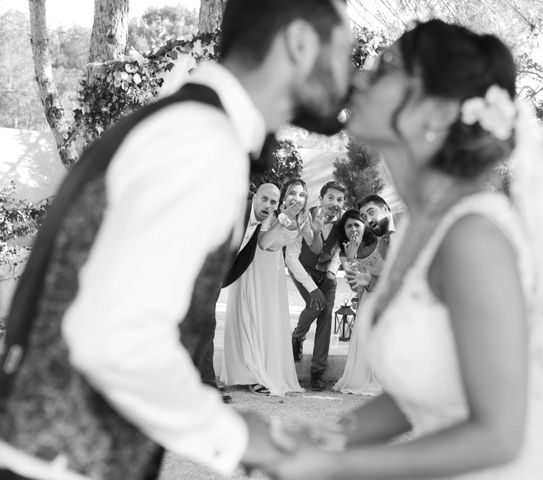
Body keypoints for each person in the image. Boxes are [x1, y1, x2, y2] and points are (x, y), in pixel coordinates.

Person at [266, 19, 543, 480]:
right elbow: (427, 386)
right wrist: (322, 437)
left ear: (438, 112)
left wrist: (332, 466)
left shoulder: (474, 238)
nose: (360, 76)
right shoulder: (417, 229)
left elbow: (499, 436)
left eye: (385, 68)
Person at [0, 0, 353, 478]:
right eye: (342, 48)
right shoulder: (202, 143)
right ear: (300, 42)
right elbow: (119, 338)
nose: (348, 71)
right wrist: (238, 439)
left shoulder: (181, 125)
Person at [221, 179, 311, 397]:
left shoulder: (300, 219)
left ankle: (263, 370)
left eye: (300, 194)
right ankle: (250, 373)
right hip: (253, 266)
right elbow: (263, 243)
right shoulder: (270, 214)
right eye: (291, 193)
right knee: (249, 316)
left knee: (268, 320)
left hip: (274, 270)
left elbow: (304, 247)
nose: (295, 198)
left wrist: (311, 228)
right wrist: (283, 218)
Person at [196, 182, 279, 403]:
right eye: (264, 199)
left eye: (273, 202)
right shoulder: (235, 213)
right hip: (197, 274)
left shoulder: (256, 222)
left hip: (210, 280)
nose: (268, 205)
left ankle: (203, 387)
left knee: (203, 330)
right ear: (255, 197)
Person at [286, 180, 346, 391]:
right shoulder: (306, 215)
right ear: (321, 199)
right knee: (316, 305)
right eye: (330, 197)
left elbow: (340, 250)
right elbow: (292, 257)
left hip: (327, 275)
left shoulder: (344, 221)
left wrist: (332, 269)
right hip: (304, 271)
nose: (335, 203)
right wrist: (312, 286)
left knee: (326, 316)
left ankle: (317, 372)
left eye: (339, 199)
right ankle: (297, 336)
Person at [332, 209, 387, 396]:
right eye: (349, 226)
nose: (353, 229)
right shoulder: (345, 253)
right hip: (368, 298)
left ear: (364, 225)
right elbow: (355, 288)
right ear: (344, 231)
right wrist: (351, 257)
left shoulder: (382, 242)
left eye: (357, 224)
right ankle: (363, 378)